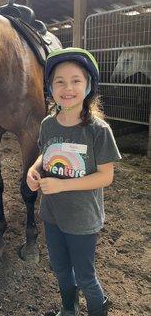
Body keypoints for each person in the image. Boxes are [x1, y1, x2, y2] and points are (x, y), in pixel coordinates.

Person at [27, 48, 121, 316]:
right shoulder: (47, 124)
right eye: (60, 81)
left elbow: (106, 176)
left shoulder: (97, 130)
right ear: (50, 87)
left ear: (88, 85)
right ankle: (69, 310)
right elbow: (47, 152)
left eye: (76, 80)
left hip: (82, 219)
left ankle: (96, 310)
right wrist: (33, 170)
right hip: (52, 213)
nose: (67, 88)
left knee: (85, 275)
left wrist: (61, 185)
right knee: (59, 268)